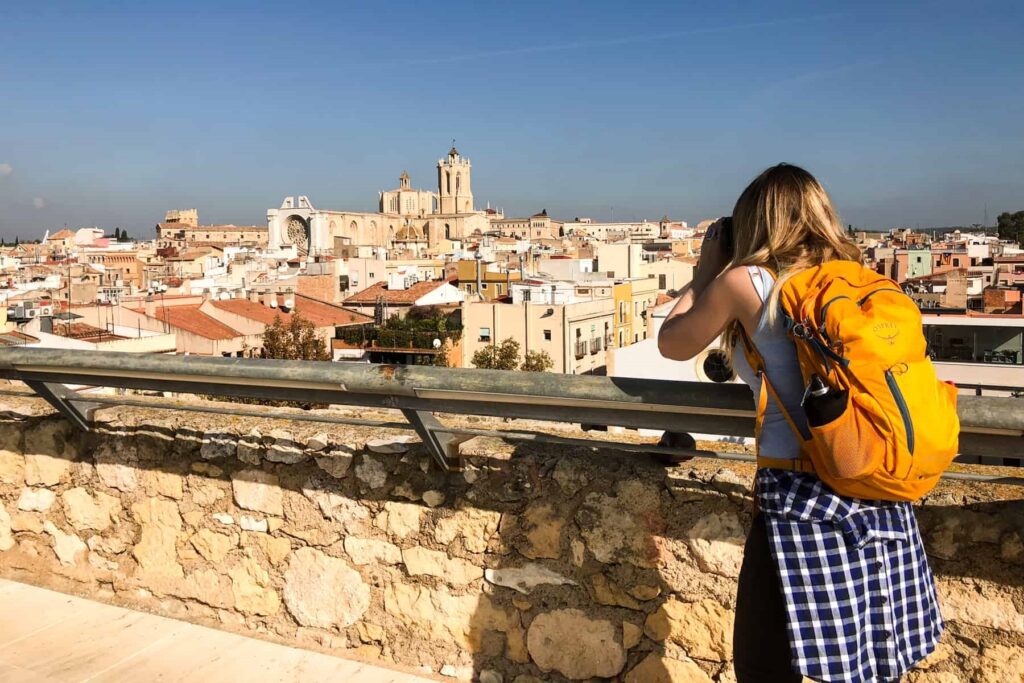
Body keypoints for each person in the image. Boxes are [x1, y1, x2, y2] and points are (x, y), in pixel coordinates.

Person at [657, 164, 943, 682]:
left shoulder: (748, 282)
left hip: (799, 495)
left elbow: (673, 343)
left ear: (753, 221)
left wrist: (705, 271)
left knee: (764, 664)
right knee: (869, 662)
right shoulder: (862, 279)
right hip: (873, 475)